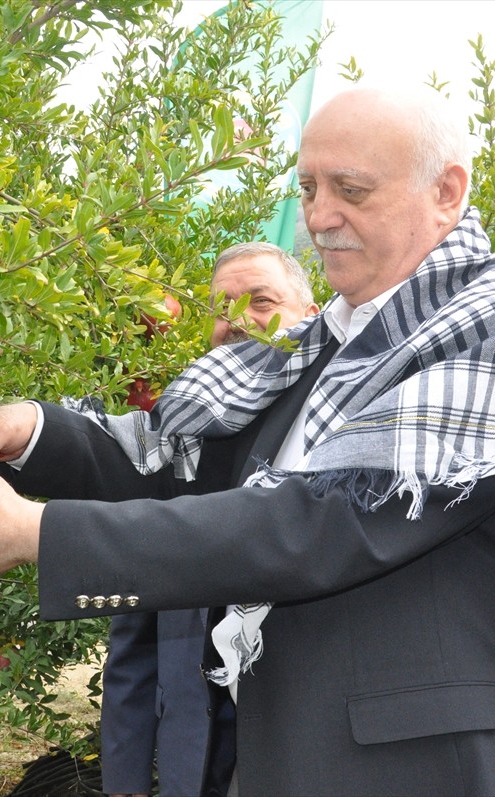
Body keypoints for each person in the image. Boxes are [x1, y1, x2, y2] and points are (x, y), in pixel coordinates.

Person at [0, 87, 495, 796]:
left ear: (447, 192)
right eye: (309, 188)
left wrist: (34, 534)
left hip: (431, 769)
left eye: (352, 189)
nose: (318, 215)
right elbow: (176, 460)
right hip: (282, 758)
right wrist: (32, 434)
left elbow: (318, 522)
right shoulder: (312, 355)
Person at [103, 242, 320, 797]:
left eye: (262, 301)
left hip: (298, 753)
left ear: (313, 318)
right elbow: (135, 629)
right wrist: (126, 777)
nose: (239, 321)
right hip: (193, 758)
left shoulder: (338, 437)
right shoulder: (175, 439)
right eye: (221, 310)